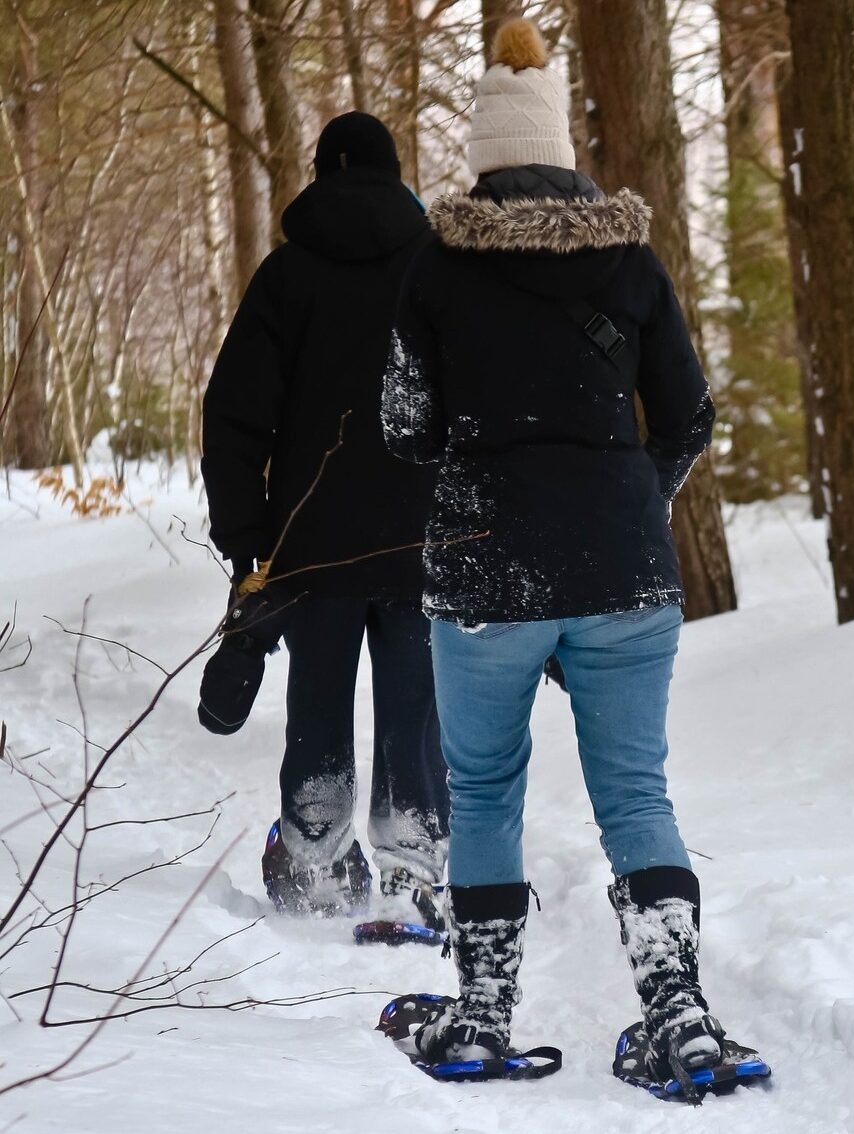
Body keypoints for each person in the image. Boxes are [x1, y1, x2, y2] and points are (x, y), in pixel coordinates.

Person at [381, 18, 739, 1089]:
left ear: (483, 157)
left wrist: (476, 486)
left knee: (483, 790)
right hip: (624, 564)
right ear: (562, 153)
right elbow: (686, 414)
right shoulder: (628, 257)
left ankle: (483, 1013)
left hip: (485, 562)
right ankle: (678, 1017)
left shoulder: (435, 265)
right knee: (634, 792)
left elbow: (403, 424)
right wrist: (629, 499)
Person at [202, 113, 447, 930]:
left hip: (312, 544)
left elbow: (235, 417)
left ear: (321, 172)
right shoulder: (437, 269)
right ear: (395, 172)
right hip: (423, 540)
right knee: (417, 704)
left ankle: (314, 856)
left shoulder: (286, 277)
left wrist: (248, 545)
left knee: (318, 698)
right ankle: (415, 862)